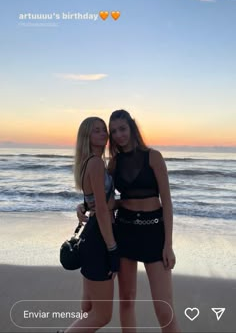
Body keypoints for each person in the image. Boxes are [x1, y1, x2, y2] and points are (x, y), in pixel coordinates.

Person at [77, 110, 180, 333]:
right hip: (125, 233)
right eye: (113, 132)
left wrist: (168, 245)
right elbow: (107, 201)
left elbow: (168, 204)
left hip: (154, 233)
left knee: (164, 307)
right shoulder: (113, 164)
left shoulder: (153, 157)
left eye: (122, 129)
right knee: (126, 299)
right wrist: (85, 206)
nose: (118, 135)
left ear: (132, 127)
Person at [63, 117, 120, 333]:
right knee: (102, 316)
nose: (104, 134)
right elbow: (103, 210)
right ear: (87, 136)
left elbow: (95, 202)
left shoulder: (90, 161)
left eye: (104, 130)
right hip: (98, 238)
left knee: (88, 308)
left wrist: (83, 206)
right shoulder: (96, 163)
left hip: (91, 236)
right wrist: (112, 248)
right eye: (97, 131)